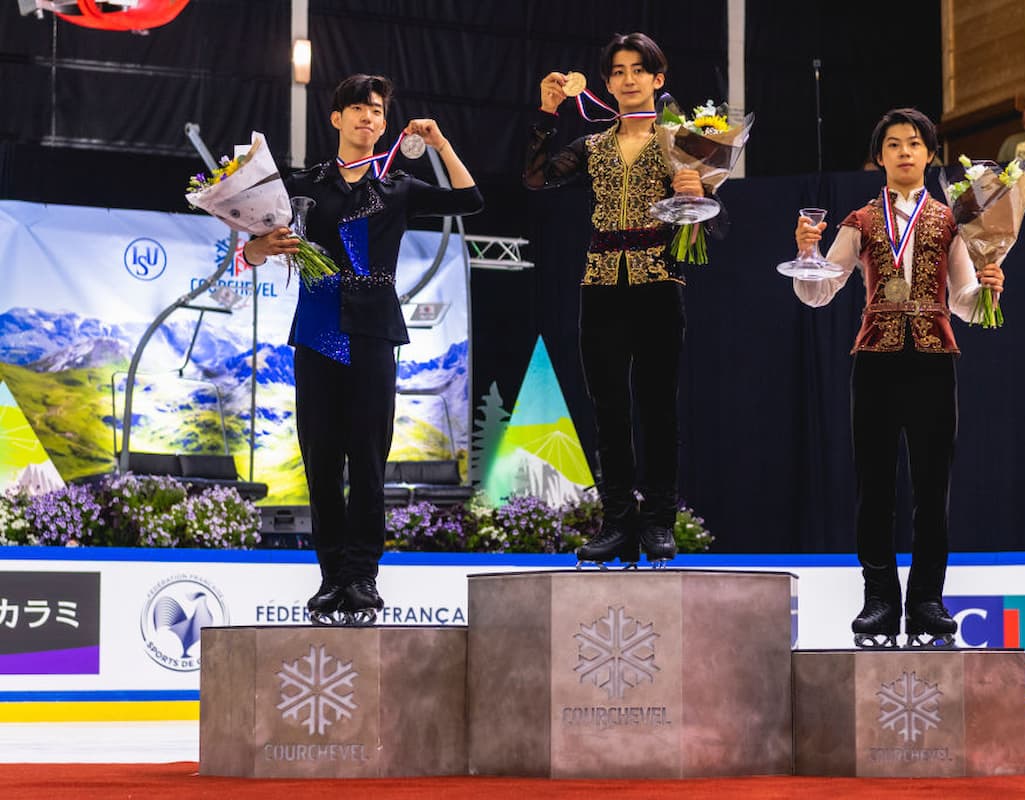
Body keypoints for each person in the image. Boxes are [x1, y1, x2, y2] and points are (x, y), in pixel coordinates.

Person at [243, 74, 483, 624]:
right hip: (316, 333)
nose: (366, 118)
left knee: (369, 463)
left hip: (374, 336)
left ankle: (363, 577)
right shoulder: (300, 185)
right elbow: (251, 247)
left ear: (383, 122)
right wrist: (258, 247)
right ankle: (331, 578)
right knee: (321, 463)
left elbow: (471, 200)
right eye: (356, 109)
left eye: (375, 111)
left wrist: (441, 144)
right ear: (336, 119)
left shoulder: (397, 186)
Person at [792, 108, 1005, 648]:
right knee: (875, 489)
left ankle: (928, 601)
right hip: (876, 361)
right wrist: (807, 253)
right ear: (879, 156)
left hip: (934, 361)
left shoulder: (953, 221)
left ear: (930, 154)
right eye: (893, 144)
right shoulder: (859, 221)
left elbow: (963, 302)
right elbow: (820, 292)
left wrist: (990, 290)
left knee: (933, 490)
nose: (905, 152)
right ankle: (880, 601)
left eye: (915, 143)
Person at [523, 32, 724, 566]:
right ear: (608, 82)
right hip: (601, 286)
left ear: (658, 80)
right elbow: (537, 179)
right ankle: (616, 522)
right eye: (618, 71)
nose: (628, 79)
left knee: (658, 407)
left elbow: (718, 226)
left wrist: (700, 195)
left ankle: (658, 521)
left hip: (660, 283)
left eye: (639, 70)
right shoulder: (592, 146)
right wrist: (548, 112)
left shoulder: (684, 141)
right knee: (608, 409)